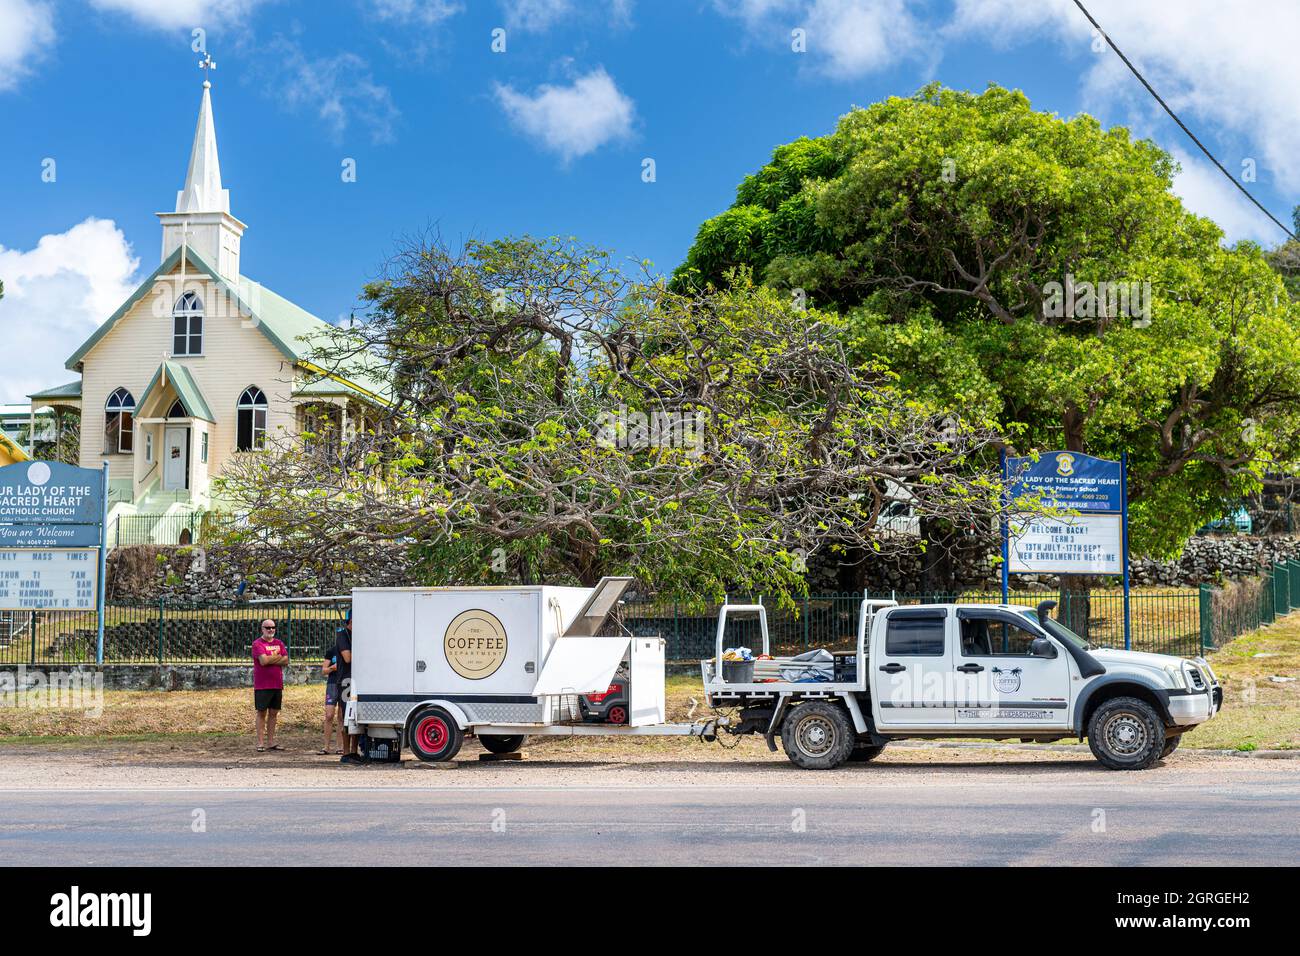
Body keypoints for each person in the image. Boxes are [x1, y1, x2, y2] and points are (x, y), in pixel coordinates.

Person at [252, 618, 289, 752]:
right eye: (267, 627)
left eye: (273, 627)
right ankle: (261, 742)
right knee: (261, 713)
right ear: (262, 629)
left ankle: (271, 742)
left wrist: (270, 659)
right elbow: (263, 661)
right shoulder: (257, 644)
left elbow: (286, 660)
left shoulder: (279, 643)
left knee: (274, 713)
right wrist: (278, 657)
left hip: (277, 684)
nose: (270, 630)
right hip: (262, 685)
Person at [336, 613, 363, 764]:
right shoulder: (342, 635)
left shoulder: (358, 636)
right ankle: (346, 752)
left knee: (357, 717)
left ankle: (354, 751)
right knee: (347, 716)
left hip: (358, 680)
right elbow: (348, 658)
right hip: (346, 680)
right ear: (351, 621)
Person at [319, 641, 343, 755]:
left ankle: (340, 747)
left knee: (341, 717)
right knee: (329, 715)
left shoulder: (350, 651)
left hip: (345, 684)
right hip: (332, 684)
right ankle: (326, 747)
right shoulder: (331, 651)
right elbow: (323, 671)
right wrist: (333, 668)